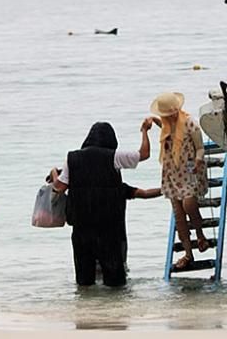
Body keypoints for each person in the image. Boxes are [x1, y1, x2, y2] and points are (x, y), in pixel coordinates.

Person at [50, 121, 150, 287]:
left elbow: (59, 187)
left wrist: (54, 173)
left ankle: (86, 309)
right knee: (115, 280)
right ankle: (114, 309)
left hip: (82, 225)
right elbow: (144, 154)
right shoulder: (114, 156)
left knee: (84, 280)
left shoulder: (72, 157)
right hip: (108, 225)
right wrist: (145, 131)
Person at [148, 92, 209, 270]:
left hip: (190, 171)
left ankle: (200, 234)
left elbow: (200, 148)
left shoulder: (190, 123)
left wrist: (198, 161)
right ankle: (188, 253)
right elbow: (166, 130)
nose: (168, 118)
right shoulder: (166, 123)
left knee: (188, 204)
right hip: (172, 173)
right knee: (179, 214)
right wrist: (153, 121)